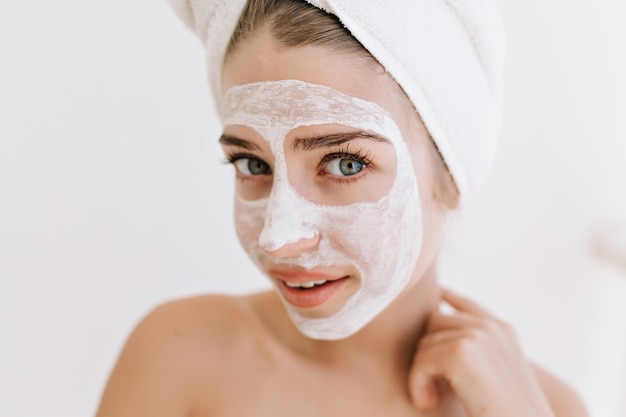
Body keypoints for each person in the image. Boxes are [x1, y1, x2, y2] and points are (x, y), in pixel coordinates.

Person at [95, 0, 589, 416]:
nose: (278, 237)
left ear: (452, 175)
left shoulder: (544, 406)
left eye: (346, 163)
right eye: (251, 163)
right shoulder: (180, 356)